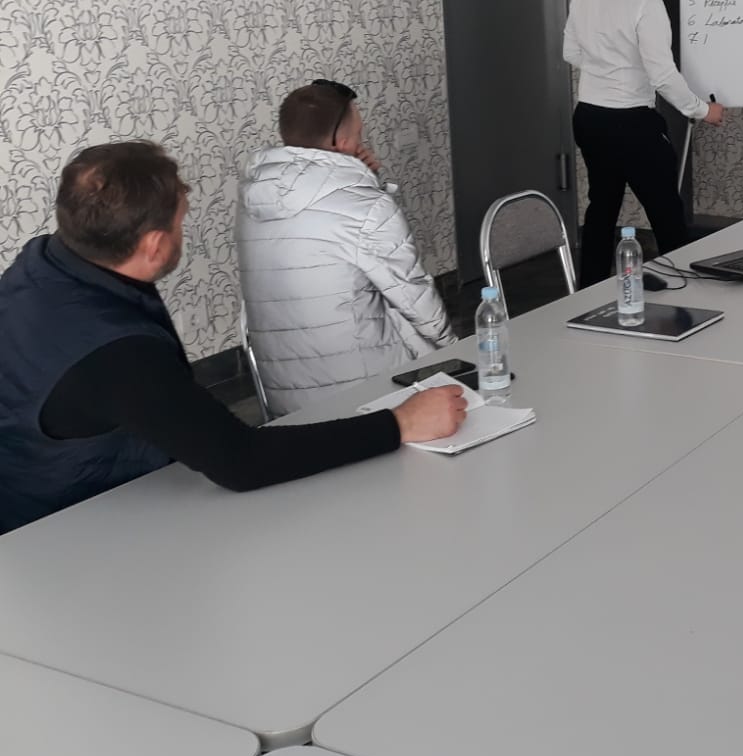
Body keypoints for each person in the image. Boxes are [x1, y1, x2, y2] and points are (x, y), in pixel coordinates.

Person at [0, 142, 467, 534]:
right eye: (180, 222)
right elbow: (241, 461)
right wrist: (400, 423)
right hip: (64, 530)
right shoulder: (117, 354)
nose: (183, 231)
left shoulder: (39, 265)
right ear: (154, 245)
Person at [236, 80, 451, 414]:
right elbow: (415, 298)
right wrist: (456, 352)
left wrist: (365, 179)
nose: (361, 141)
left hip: (285, 402)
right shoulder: (365, 208)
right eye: (359, 134)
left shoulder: (253, 202)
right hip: (364, 398)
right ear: (341, 142)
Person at [563, 0, 726, 287]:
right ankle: (688, 295)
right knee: (666, 212)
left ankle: (587, 295)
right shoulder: (646, 2)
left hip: (589, 117)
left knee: (601, 209)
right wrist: (704, 111)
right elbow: (663, 76)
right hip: (631, 123)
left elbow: (570, 51)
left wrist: (607, 67)